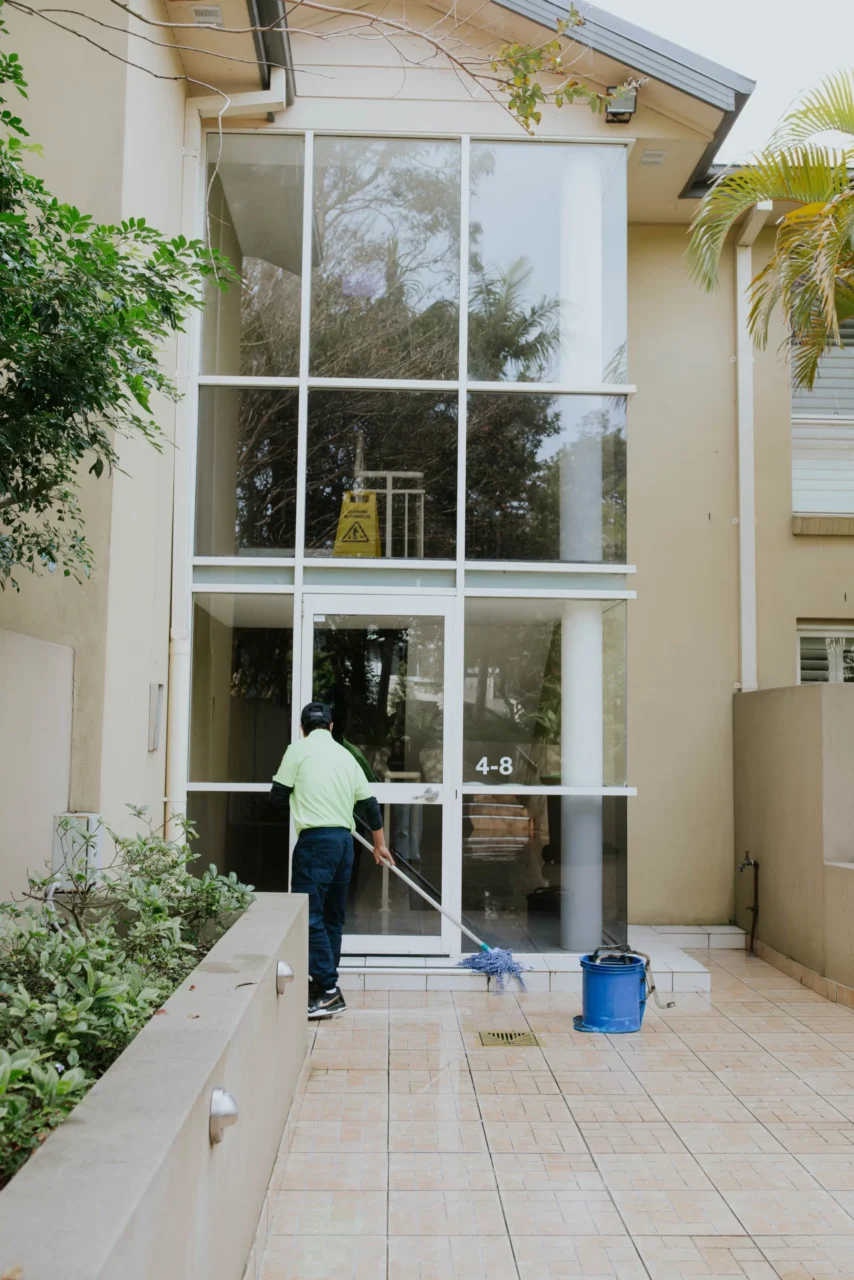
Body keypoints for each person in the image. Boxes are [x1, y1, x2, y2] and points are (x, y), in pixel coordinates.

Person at [270, 701, 393, 1020]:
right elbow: (370, 803)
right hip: (344, 844)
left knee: (310, 916)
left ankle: (328, 990)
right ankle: (321, 986)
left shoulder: (297, 750)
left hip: (315, 843)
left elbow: (277, 796)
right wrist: (379, 845)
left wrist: (301, 793)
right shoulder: (345, 755)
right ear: (331, 727)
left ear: (302, 728)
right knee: (332, 919)